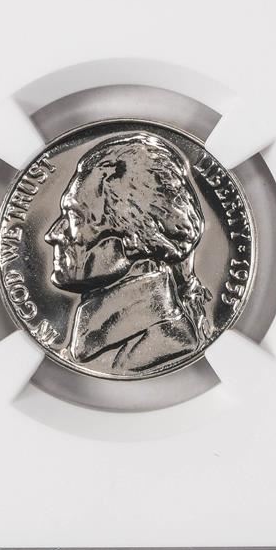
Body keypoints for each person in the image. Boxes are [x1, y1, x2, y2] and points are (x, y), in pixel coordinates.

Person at [44, 132, 211, 375]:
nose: (53, 234)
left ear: (135, 237)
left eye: (75, 218)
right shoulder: (97, 345)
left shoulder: (158, 346)